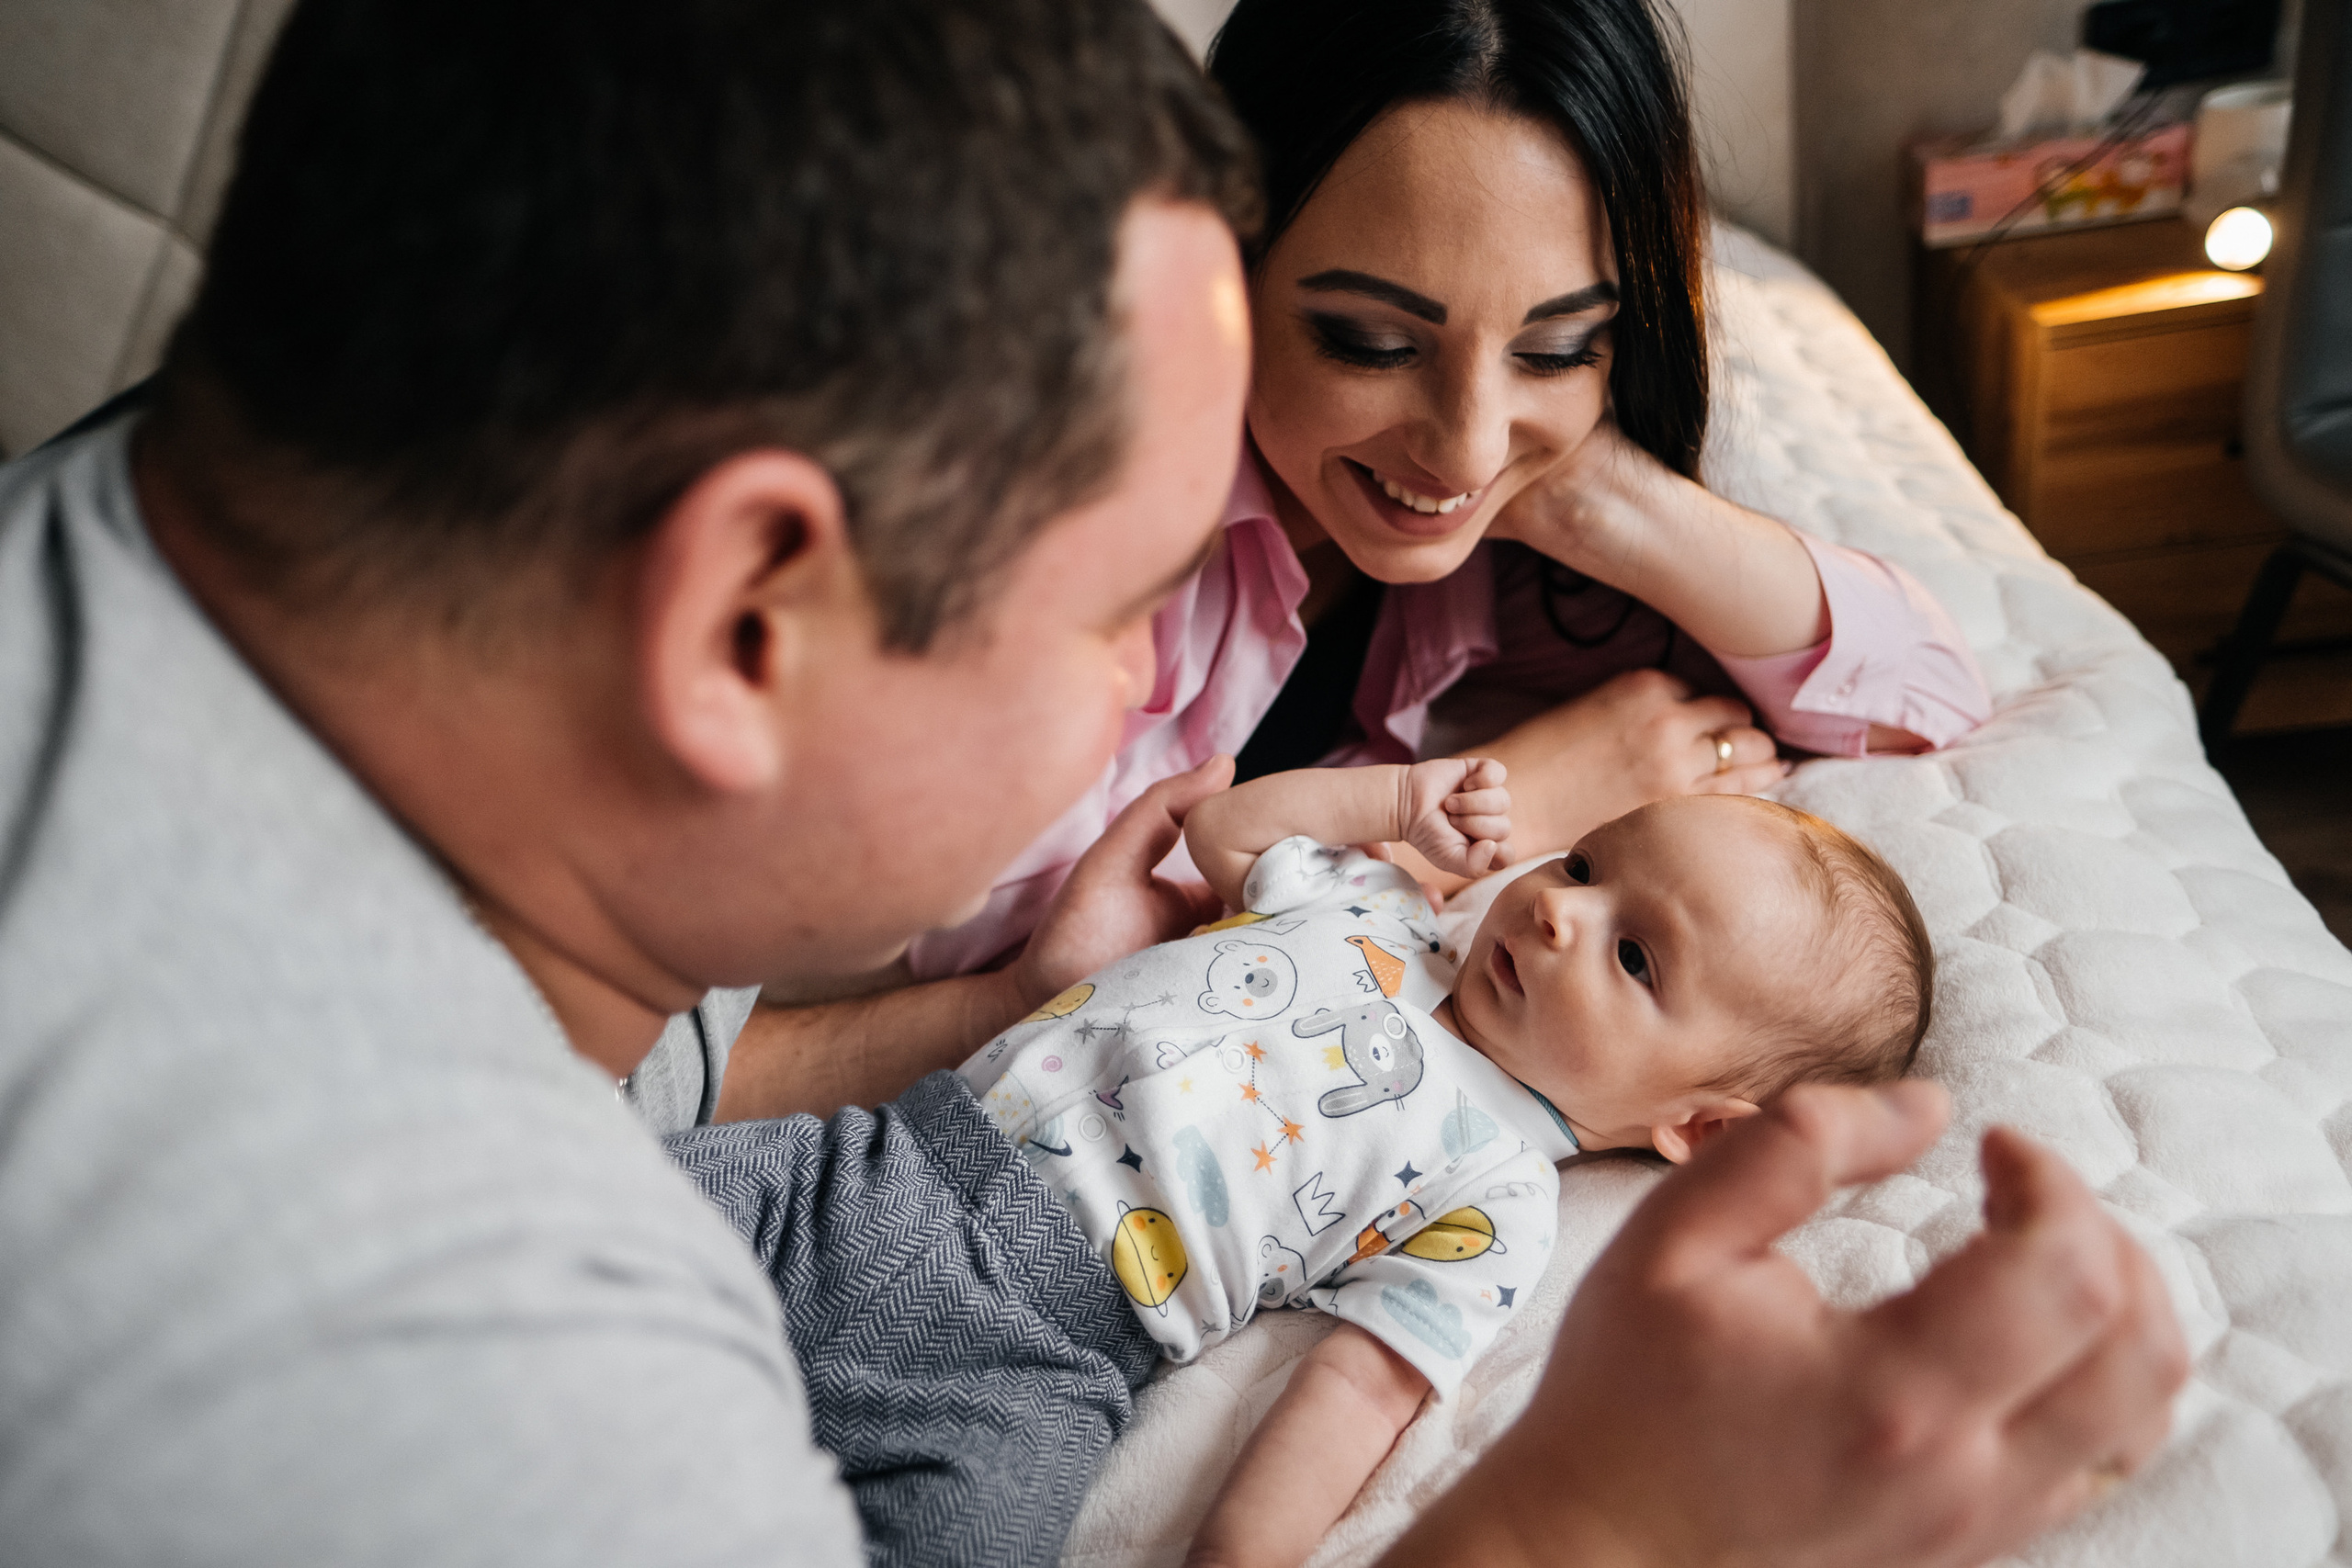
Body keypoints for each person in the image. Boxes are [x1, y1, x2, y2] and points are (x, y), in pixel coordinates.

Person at [0, 1, 2183, 1565]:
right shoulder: (515, 1376)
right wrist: (1586, 1523)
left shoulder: (112, 530)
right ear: (740, 618)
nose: (1193, 716)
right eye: (1133, 597)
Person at [716, 0, 1995, 1126]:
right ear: (1227, 264)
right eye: (1373, 340)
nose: (1463, 445)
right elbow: (633, 1064)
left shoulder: (1511, 534)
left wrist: (1592, 494)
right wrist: (1501, 811)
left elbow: (1923, 692)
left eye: (1555, 346)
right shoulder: (1047, 556)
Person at [673, 761, 1934, 1568]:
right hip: (872, 1168)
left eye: (1637, 957)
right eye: (1590, 863)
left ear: (1699, 1131)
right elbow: (1224, 828)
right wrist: (1394, 806)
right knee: (565, 1213)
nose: (1559, 908)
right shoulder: (1376, 909)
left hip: (1042, 1363)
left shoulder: (1497, 1200)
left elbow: (1357, 1393)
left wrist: (1243, 1555)